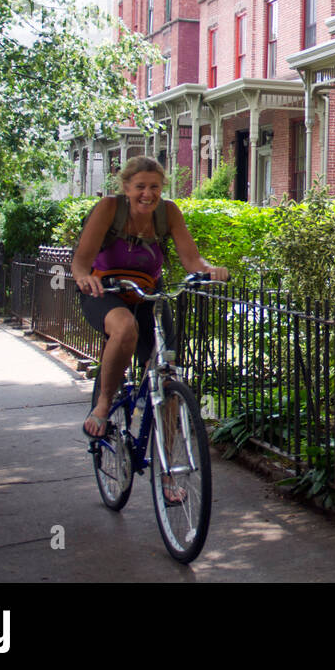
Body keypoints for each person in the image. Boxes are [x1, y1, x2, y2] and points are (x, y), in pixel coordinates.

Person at [73, 156, 228, 463]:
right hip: (105, 291)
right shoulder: (109, 209)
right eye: (140, 187)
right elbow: (81, 260)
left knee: (167, 376)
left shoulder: (168, 212)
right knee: (125, 328)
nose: (148, 193)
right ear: (126, 187)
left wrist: (210, 270)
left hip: (147, 295)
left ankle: (168, 468)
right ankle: (104, 404)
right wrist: (83, 278)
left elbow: (192, 261)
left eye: (154, 187)